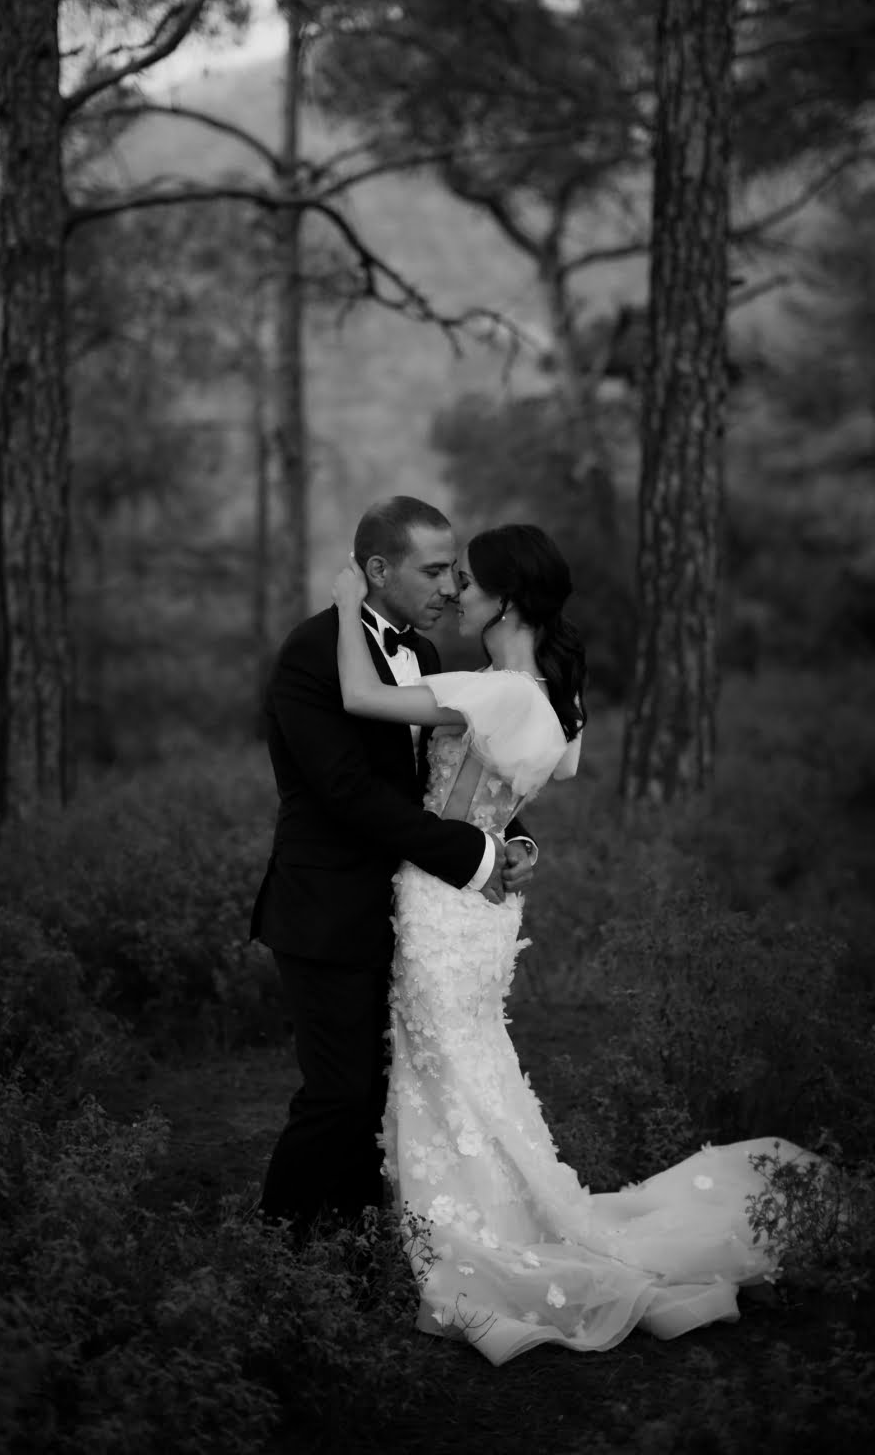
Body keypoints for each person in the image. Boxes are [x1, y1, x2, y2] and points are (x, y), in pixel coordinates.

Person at [331, 521, 820, 1366]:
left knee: (445, 1067)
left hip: (443, 902)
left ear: (507, 600)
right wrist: (513, 840)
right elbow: (548, 776)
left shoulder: (494, 692)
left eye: (468, 582)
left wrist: (347, 606)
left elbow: (359, 697)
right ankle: (479, 1218)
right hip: (485, 908)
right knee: (468, 1065)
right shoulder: (557, 698)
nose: (455, 594)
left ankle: (472, 1237)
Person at [251, 496, 540, 1238]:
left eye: (453, 573)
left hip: (409, 911)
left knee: (383, 1094)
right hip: (327, 910)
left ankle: (354, 1258)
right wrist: (471, 856)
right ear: (378, 570)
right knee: (337, 1094)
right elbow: (347, 792)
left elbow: (441, 785)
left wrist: (511, 840)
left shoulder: (428, 657)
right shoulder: (314, 651)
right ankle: (270, 1248)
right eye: (434, 571)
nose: (449, 588)